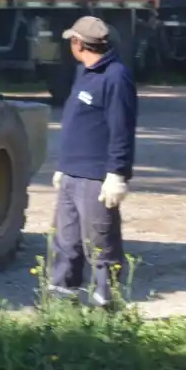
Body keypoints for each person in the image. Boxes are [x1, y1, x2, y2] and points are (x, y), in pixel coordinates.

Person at [48, 16, 138, 308]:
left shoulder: (116, 76)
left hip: (96, 178)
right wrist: (63, 166)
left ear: (78, 43)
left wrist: (117, 174)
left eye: (71, 41)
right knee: (66, 243)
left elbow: (121, 128)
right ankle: (62, 305)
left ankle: (106, 308)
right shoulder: (84, 72)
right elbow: (78, 125)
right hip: (72, 175)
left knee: (101, 244)